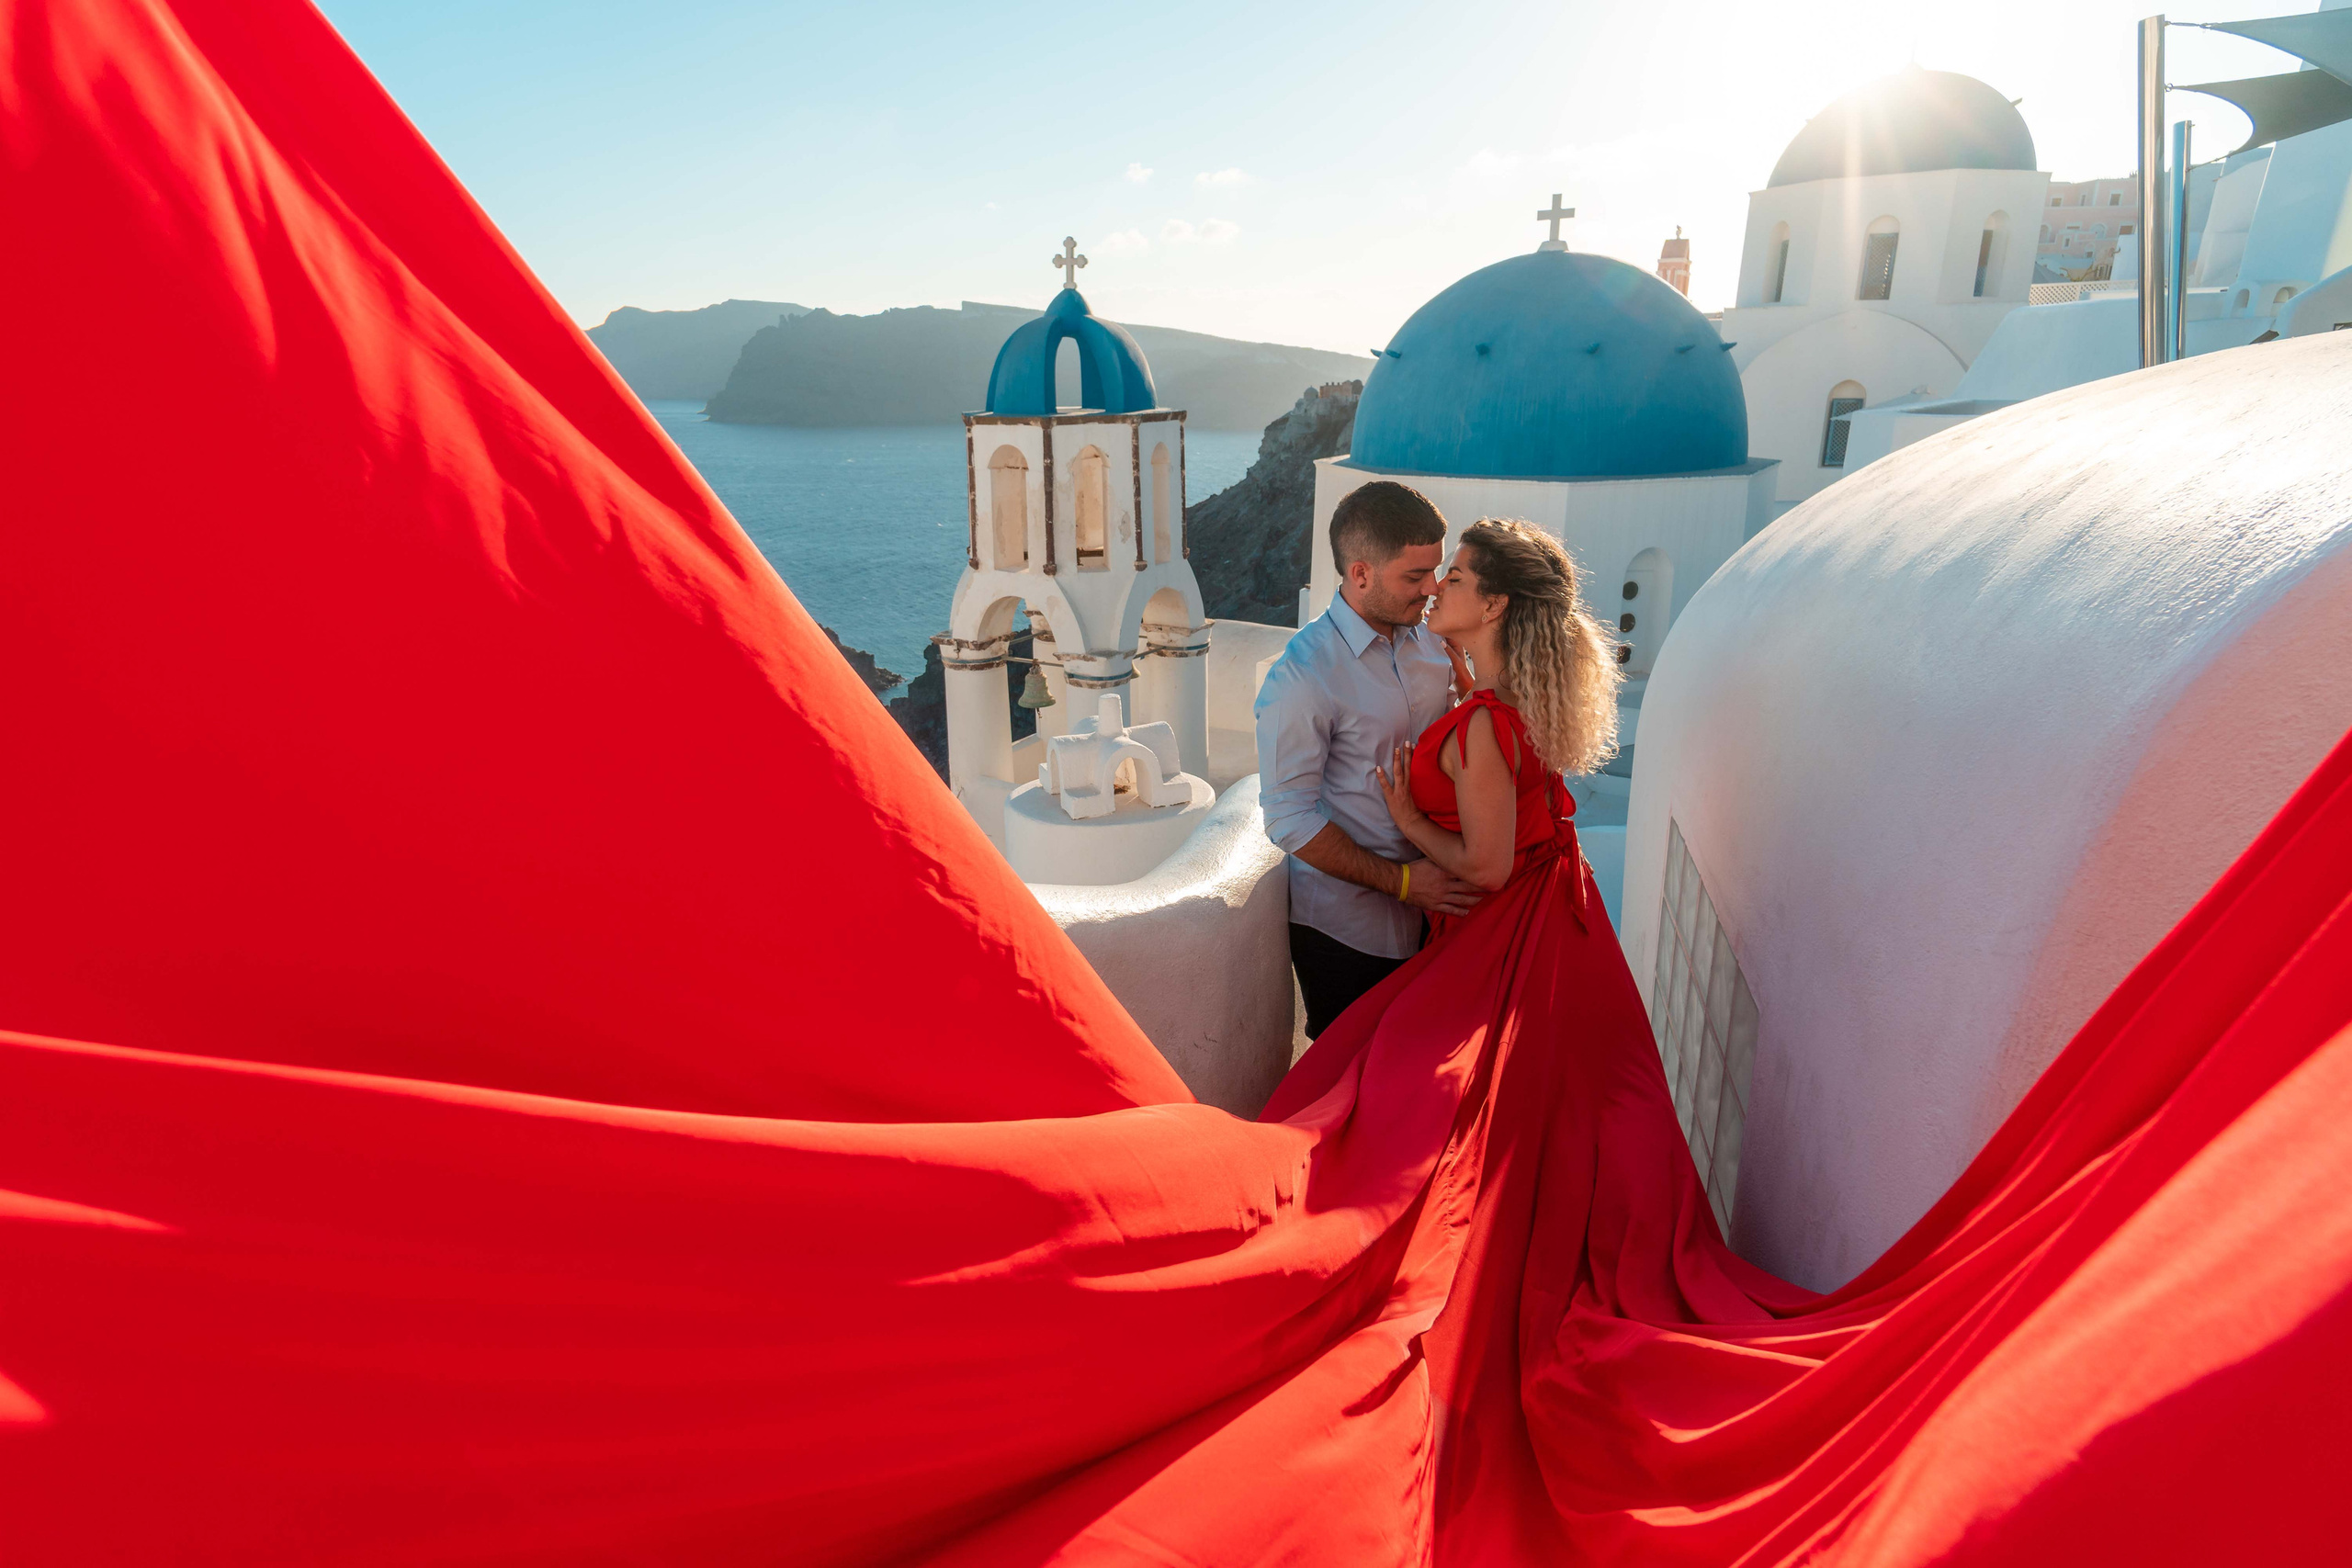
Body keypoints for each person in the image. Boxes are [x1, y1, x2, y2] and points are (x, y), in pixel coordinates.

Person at [1254, 481, 1485, 1039]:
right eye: (1414, 577)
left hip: (1440, 921)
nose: (1432, 589)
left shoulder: (1433, 643)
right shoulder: (1303, 676)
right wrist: (1406, 883)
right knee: (1350, 1092)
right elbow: (1288, 818)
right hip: (1345, 935)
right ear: (1360, 575)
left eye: (1436, 571)